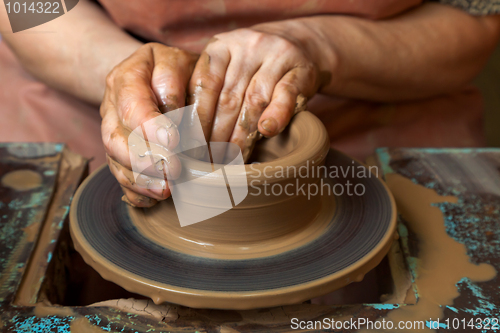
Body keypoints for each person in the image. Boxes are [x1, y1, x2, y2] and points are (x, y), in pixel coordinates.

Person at [1, 0, 499, 207]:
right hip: (88, 80)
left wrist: (320, 45)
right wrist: (126, 72)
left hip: (381, 98)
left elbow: (472, 16)